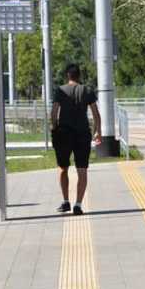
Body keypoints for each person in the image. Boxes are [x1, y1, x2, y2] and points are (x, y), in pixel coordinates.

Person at [51, 63, 101, 215]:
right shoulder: (87, 90)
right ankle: (78, 204)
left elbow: (54, 113)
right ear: (79, 75)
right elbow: (96, 114)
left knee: (62, 167)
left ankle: (66, 201)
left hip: (64, 133)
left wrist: (55, 127)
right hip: (82, 134)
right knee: (82, 170)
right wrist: (97, 131)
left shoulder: (60, 90)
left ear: (68, 75)